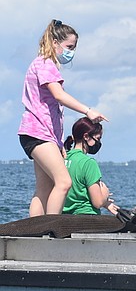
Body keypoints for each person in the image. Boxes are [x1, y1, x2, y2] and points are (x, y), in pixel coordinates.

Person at [18, 19, 107, 216]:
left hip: (40, 134)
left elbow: (50, 110)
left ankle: (37, 229)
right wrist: (88, 110)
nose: (71, 52)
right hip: (38, 133)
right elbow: (58, 95)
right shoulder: (45, 64)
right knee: (64, 182)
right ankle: (52, 227)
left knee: (45, 188)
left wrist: (58, 143)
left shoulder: (40, 64)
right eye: (69, 47)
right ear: (55, 43)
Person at [63, 117, 119, 215]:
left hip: (64, 218)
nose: (99, 143)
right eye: (98, 139)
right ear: (86, 136)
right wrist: (104, 195)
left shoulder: (62, 158)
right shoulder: (88, 163)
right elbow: (97, 202)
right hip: (87, 217)